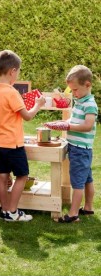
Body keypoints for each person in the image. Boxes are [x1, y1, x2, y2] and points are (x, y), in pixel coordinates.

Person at [0, 50, 46, 222]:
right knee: (22, 176)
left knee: (2, 177)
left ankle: (5, 211)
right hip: (12, 143)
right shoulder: (12, 92)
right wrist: (38, 104)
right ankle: (13, 211)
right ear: (13, 71)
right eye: (18, 71)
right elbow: (27, 116)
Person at [44, 65, 98, 223]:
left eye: (75, 90)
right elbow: (74, 121)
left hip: (81, 150)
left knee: (78, 183)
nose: (73, 93)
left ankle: (73, 213)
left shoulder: (90, 104)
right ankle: (88, 208)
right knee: (87, 180)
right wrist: (63, 122)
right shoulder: (80, 101)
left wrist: (67, 126)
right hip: (78, 149)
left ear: (87, 85)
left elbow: (87, 126)